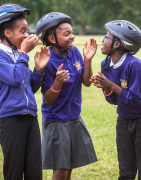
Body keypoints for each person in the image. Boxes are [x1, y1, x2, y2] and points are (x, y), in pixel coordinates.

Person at [0, 4, 50, 180]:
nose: (27, 35)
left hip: (30, 118)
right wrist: (24, 53)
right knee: (14, 173)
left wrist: (39, 70)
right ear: (7, 33)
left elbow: (30, 87)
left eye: (27, 30)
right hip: (10, 120)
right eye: (22, 31)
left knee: (35, 172)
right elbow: (14, 77)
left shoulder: (18, 55)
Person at [90, 20, 141, 180]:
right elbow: (114, 101)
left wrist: (111, 85)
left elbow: (136, 100)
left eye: (106, 36)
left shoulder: (134, 65)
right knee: (126, 172)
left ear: (118, 44)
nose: (102, 40)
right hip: (123, 121)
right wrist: (107, 88)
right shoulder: (106, 64)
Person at [35, 12, 98, 180]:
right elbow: (48, 99)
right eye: (67, 34)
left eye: (72, 32)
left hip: (74, 117)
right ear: (53, 39)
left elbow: (86, 82)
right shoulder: (47, 60)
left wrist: (88, 59)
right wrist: (58, 82)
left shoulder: (74, 52)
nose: (72, 36)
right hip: (57, 120)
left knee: (69, 167)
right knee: (61, 169)